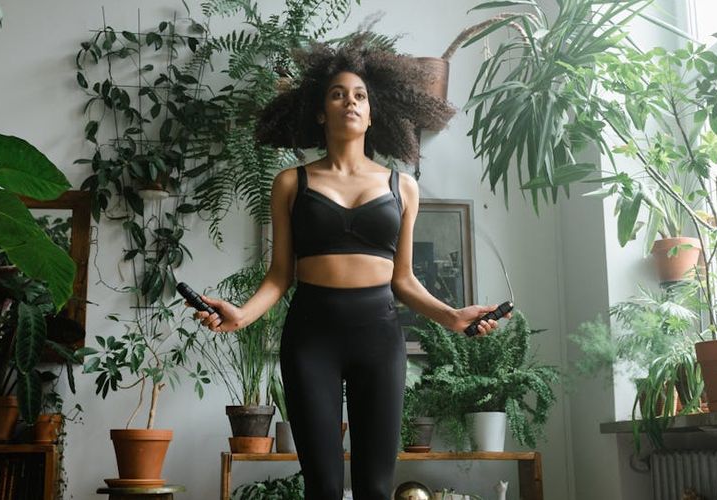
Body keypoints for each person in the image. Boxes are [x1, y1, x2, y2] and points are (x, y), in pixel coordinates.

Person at [192, 36, 510, 500]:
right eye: (338, 94)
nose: (350, 102)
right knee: (321, 486)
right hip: (310, 335)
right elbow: (280, 275)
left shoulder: (403, 186)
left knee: (376, 488)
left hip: (378, 336)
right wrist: (240, 316)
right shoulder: (290, 182)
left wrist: (451, 316)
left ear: (372, 112)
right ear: (320, 111)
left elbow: (402, 278)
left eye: (360, 96)